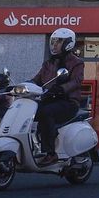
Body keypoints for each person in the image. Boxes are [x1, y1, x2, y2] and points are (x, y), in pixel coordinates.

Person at [29, 27, 86, 166]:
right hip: (49, 99)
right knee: (28, 112)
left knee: (46, 112)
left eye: (58, 42)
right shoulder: (49, 63)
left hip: (68, 102)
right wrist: (23, 85)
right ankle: (32, 146)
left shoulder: (77, 62)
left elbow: (77, 81)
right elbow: (37, 79)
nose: (54, 45)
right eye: (53, 41)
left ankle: (51, 153)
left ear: (68, 43)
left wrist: (61, 88)